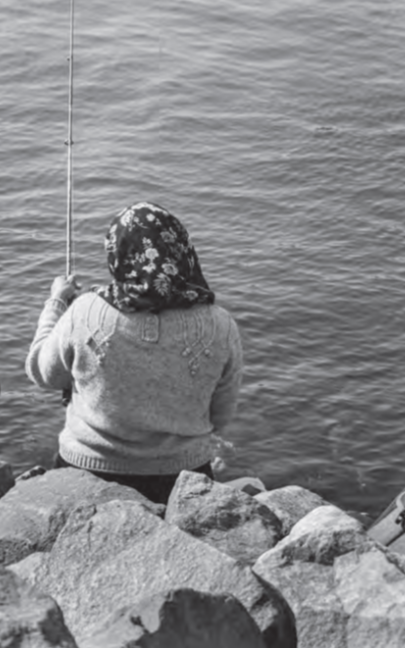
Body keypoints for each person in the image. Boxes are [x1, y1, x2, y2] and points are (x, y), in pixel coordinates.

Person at [25, 201, 243, 504]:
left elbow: (41, 372)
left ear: (118, 253)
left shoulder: (85, 310)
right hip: (183, 481)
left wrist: (56, 304)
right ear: (181, 250)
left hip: (84, 474)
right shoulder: (221, 325)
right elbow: (221, 416)